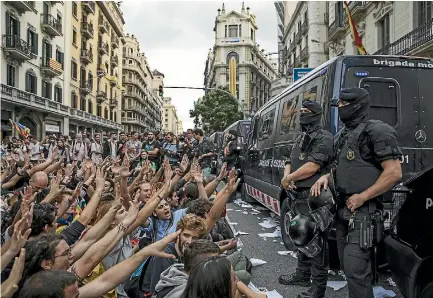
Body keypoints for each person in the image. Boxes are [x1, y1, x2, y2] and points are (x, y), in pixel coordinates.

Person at [311, 87, 403, 298]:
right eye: (339, 105)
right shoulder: (342, 135)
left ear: (358, 106)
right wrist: (327, 177)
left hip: (364, 213)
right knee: (347, 267)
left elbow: (394, 172)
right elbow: (340, 166)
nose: (341, 109)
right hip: (343, 210)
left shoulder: (377, 131)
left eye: (345, 105)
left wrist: (363, 197)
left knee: (355, 268)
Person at [278, 100, 333, 298]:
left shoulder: (324, 138)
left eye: (307, 112)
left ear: (316, 114)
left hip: (314, 198)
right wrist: (287, 177)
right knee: (300, 236)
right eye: (301, 111)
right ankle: (302, 274)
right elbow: (288, 159)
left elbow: (313, 166)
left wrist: (289, 178)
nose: (302, 114)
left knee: (316, 242)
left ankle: (318, 287)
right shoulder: (300, 136)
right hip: (296, 195)